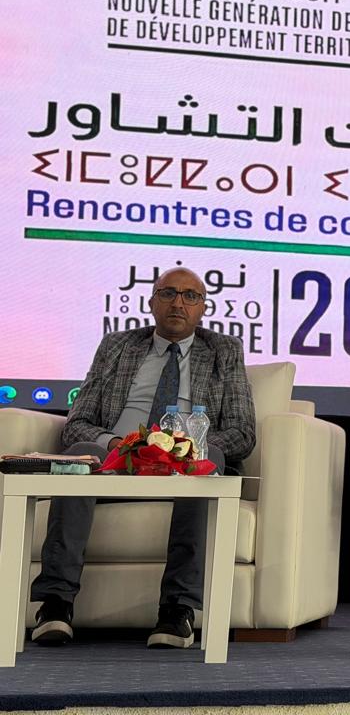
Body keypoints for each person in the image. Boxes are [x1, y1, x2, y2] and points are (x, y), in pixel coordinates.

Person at [30, 266, 256, 649]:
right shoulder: (118, 346)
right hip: (117, 458)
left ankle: (177, 610)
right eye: (168, 293)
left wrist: (183, 449)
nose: (178, 303)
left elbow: (242, 433)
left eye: (190, 296)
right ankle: (55, 604)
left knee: (210, 460)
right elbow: (77, 424)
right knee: (79, 456)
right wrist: (117, 444)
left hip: (184, 461)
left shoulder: (224, 351)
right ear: (151, 302)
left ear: (203, 308)